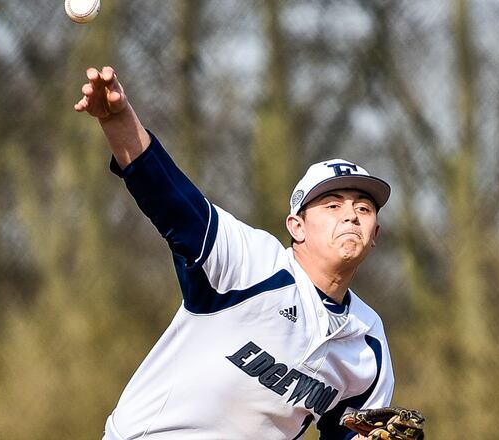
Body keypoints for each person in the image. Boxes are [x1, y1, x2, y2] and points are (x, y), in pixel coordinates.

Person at [75, 66, 395, 440]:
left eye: (364, 208)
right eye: (332, 205)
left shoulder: (367, 342)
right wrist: (119, 122)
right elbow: (174, 202)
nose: (351, 215)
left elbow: (349, 433)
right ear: (297, 227)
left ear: (375, 234)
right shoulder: (253, 265)